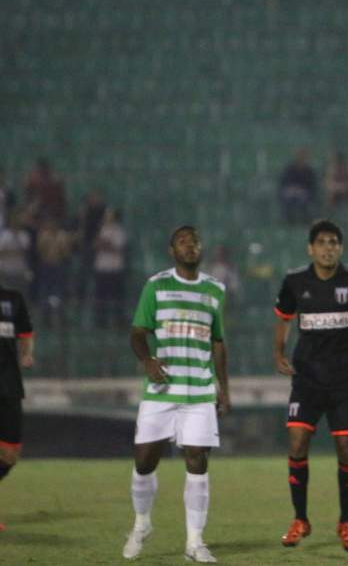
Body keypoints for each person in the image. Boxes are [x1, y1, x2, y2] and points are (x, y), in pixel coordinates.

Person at [273, 220, 348, 552]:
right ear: (311, 248)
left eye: (334, 242)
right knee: (297, 442)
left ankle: (345, 522)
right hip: (306, 379)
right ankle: (300, 519)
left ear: (341, 248)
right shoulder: (294, 281)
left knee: (347, 449)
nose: (328, 248)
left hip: (342, 381)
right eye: (322, 242)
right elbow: (283, 318)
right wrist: (278, 352)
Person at [122, 226, 230, 563]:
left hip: (198, 390)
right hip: (162, 390)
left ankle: (194, 542)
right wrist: (147, 360)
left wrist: (224, 388)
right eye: (183, 242)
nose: (190, 245)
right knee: (144, 462)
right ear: (172, 251)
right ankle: (141, 524)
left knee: (197, 461)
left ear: (201, 248)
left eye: (194, 241)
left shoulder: (215, 289)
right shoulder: (156, 286)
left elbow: (218, 342)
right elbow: (137, 332)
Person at [0, 282, 34, 532]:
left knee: (10, 453)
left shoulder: (13, 299)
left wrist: (26, 354)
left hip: (9, 385)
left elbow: (25, 332)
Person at [93, 207, 128, 330]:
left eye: (109, 215)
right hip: (102, 267)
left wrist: (105, 244)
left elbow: (118, 248)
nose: (106, 217)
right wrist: (102, 243)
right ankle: (101, 321)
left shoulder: (119, 231)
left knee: (116, 296)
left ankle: (118, 321)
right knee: (101, 296)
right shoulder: (102, 230)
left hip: (115, 268)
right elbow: (96, 245)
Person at [279, 149, 318, 225]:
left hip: (304, 192)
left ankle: (304, 219)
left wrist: (302, 190)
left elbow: (312, 185)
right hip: (291, 191)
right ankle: (289, 220)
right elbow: (284, 182)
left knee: (303, 200)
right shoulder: (290, 168)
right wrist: (292, 189)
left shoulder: (309, 170)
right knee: (287, 199)